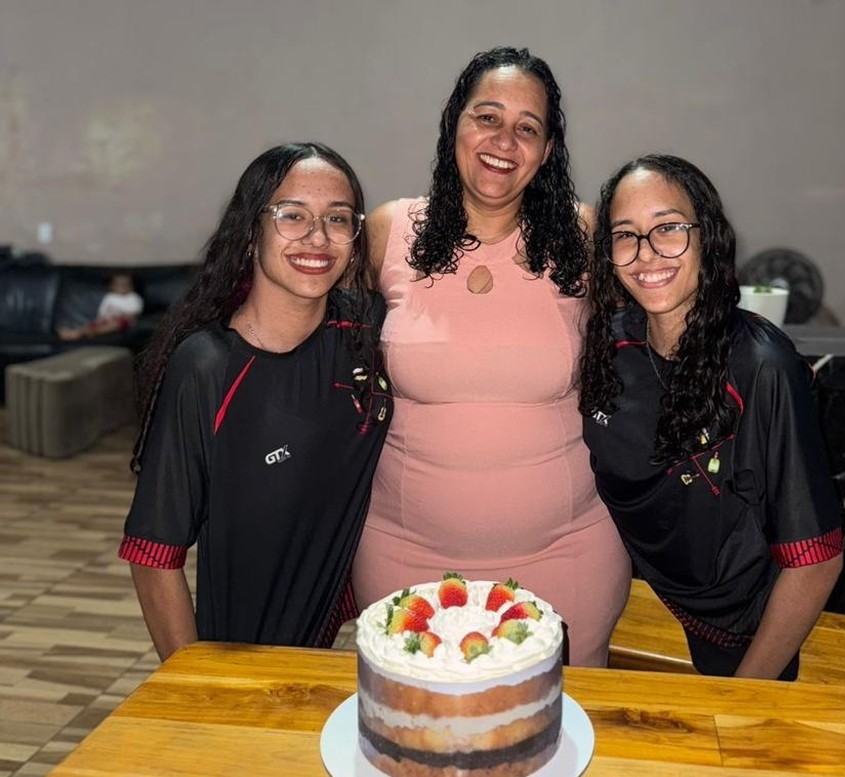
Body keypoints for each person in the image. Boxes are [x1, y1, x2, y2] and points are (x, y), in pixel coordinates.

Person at [351, 46, 631, 667]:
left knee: (561, 750)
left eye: (527, 127)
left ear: (548, 150)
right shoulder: (388, 230)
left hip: (567, 559)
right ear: (455, 122)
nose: (504, 139)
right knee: (414, 747)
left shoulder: (586, 238)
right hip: (403, 557)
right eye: (487, 116)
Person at [118, 143, 391, 661]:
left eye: (337, 219)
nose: (317, 237)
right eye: (293, 216)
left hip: (352, 635)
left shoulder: (369, 330)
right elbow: (153, 555)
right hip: (243, 654)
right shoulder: (207, 367)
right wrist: (200, 687)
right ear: (250, 232)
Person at [580, 154, 844, 680]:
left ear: (708, 236)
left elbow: (816, 559)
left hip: (747, 633)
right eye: (625, 235)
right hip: (641, 601)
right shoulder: (610, 344)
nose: (647, 253)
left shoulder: (760, 366)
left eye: (669, 228)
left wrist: (741, 696)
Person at [57, 271, 144, 340]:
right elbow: (103, 311)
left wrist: (119, 315)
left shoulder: (133, 298)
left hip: (123, 322)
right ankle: (76, 332)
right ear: (112, 286)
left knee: (115, 324)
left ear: (131, 286)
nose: (121, 287)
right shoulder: (109, 297)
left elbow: (133, 315)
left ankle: (91, 332)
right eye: (118, 285)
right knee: (94, 323)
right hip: (106, 319)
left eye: (125, 285)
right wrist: (102, 319)